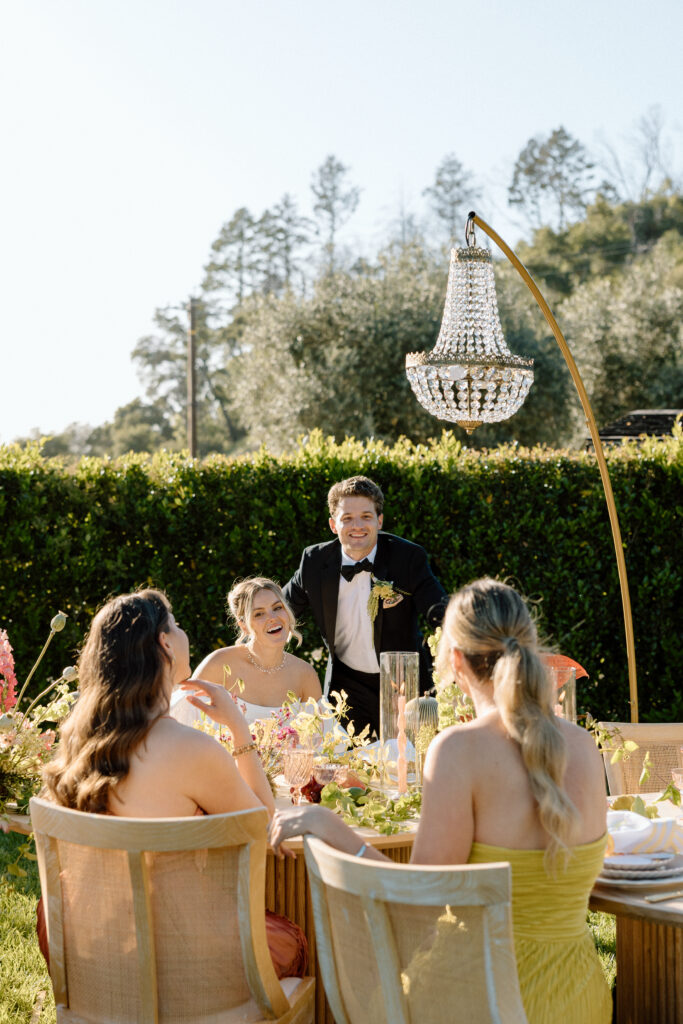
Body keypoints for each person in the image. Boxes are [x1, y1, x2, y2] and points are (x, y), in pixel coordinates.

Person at [269, 579, 612, 1023]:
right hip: (580, 1002)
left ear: (455, 661)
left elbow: (417, 906)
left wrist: (329, 826)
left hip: (477, 1001)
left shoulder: (458, 750)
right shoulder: (585, 746)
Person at [40, 588, 307, 979]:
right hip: (179, 959)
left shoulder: (77, 744)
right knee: (295, 943)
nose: (182, 632)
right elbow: (265, 825)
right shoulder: (189, 749)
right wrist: (237, 727)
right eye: (177, 625)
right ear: (165, 643)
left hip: (94, 950)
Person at [283, 475, 447, 739]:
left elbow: (439, 610)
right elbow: (280, 612)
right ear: (333, 525)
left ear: (379, 521)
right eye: (347, 518)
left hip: (403, 683)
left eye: (366, 517)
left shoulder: (408, 558)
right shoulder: (314, 561)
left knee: (408, 767)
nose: (357, 526)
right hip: (347, 687)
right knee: (353, 770)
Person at [170, 577, 322, 728]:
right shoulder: (219, 664)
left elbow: (321, 739)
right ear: (243, 625)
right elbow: (183, 723)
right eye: (259, 614)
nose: (273, 618)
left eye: (277, 608)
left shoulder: (305, 675)